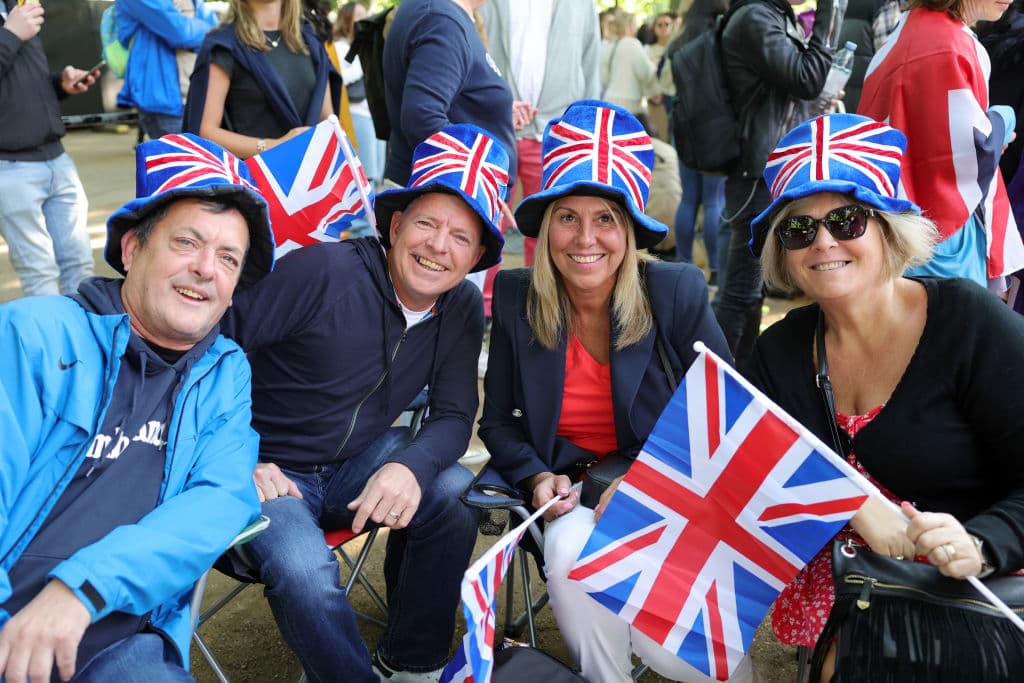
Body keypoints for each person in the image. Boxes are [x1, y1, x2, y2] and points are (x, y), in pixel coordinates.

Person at [220, 124, 509, 683]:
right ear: (396, 226)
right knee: (304, 569)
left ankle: (411, 662)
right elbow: (207, 347)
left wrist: (409, 466)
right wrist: (236, 454)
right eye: (426, 224)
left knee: (453, 491)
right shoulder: (325, 271)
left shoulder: (461, 307)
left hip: (357, 463)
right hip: (267, 470)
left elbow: (454, 416)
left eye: (460, 236)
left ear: (477, 256)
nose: (438, 246)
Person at [478, 100, 752, 683]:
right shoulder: (516, 298)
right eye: (567, 217)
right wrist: (534, 475)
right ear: (547, 226)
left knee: (673, 649)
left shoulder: (674, 291)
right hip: (571, 494)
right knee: (569, 558)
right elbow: (497, 422)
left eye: (605, 217)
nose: (585, 238)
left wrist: (649, 483)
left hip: (667, 493)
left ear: (628, 229)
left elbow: (728, 416)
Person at [744, 113, 1024, 681]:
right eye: (798, 230)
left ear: (889, 229)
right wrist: (850, 502)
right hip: (853, 588)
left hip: (971, 585)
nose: (824, 242)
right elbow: (743, 458)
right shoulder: (779, 351)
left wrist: (980, 543)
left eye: (846, 220)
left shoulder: (969, 323)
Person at [0, 134, 274, 682]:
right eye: (186, 242)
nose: (206, 268)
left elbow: (222, 497)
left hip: (122, 644)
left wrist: (84, 586)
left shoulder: (225, 372)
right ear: (131, 250)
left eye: (228, 258)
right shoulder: (34, 336)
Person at [859, 0, 1023, 287]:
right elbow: (976, 152)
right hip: (943, 234)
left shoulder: (901, 35)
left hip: (898, 222)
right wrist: (1004, 118)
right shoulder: (953, 43)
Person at [714, 0, 841, 367]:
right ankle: (713, 380)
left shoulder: (768, 16)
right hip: (756, 172)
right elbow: (807, 78)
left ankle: (742, 375)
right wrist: (832, 9)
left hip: (766, 168)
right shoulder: (755, 17)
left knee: (750, 290)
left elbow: (792, 91)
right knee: (741, 291)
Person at [480, 0, 601, 266]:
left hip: (557, 132)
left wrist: (587, 127)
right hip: (496, 128)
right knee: (485, 224)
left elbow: (591, 63)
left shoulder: (582, 5)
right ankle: (481, 294)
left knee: (550, 230)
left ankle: (540, 292)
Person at [0, 0, 99, 298]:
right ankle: (51, 331)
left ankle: (79, 329)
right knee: (39, 273)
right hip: (10, 168)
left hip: (57, 159)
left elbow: (17, 83)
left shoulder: (17, 6)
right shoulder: (16, 22)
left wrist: (60, 84)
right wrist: (11, 35)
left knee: (80, 267)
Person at [382, 0, 516, 187]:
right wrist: (483, 175)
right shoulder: (442, 20)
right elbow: (422, 118)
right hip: (443, 194)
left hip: (438, 191)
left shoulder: (441, 15)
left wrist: (496, 114)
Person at [183, 0, 340, 159]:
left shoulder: (311, 40)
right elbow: (205, 132)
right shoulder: (223, 45)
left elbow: (328, 121)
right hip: (251, 170)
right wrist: (273, 145)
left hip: (310, 167)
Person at [669, 0, 729, 278]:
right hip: (714, 126)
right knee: (714, 201)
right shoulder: (719, 41)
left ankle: (683, 261)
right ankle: (716, 267)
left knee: (689, 199)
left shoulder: (679, 42)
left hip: (683, 123)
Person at [115, 0, 219, 140]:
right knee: (181, 153)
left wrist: (207, 31)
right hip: (165, 102)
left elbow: (216, 33)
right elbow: (180, 32)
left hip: (197, 94)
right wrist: (208, 30)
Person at [333, 1, 385, 188]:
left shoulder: (365, 46)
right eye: (359, 17)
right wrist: (364, 65)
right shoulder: (339, 47)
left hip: (372, 116)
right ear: (347, 20)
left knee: (378, 175)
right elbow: (338, 78)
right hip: (356, 114)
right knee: (366, 175)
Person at [599, 11, 657, 132]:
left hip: (609, 102)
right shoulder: (632, 44)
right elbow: (646, 73)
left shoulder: (610, 45)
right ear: (629, 26)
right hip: (630, 106)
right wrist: (654, 65)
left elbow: (604, 76)